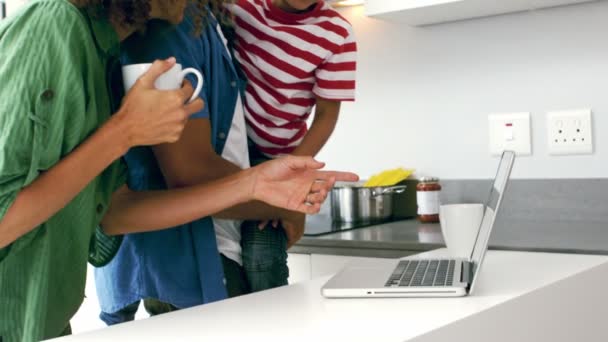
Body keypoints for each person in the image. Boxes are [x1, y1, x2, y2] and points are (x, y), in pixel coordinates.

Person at [0, 0, 357, 340]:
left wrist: (254, 184)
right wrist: (123, 131)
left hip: (43, 322)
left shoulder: (105, 56)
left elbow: (117, 212)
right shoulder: (54, 24)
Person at [95, 5, 305, 323]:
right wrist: (283, 204)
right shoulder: (170, 22)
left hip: (196, 259)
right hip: (187, 265)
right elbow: (189, 171)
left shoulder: (197, 19)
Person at [226, 0, 358, 291]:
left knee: (262, 253)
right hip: (227, 149)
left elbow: (325, 116)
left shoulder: (337, 33)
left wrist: (291, 175)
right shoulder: (240, 8)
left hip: (277, 158)